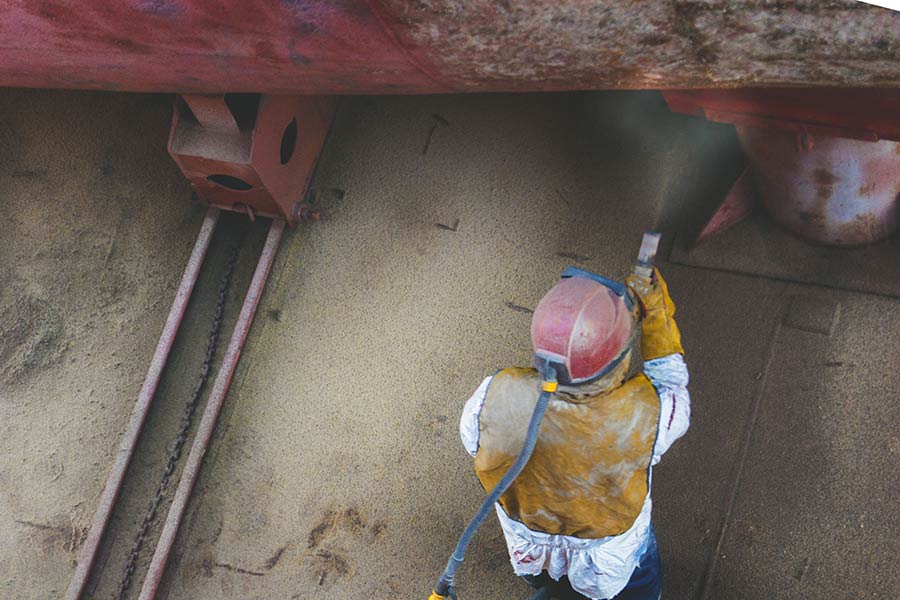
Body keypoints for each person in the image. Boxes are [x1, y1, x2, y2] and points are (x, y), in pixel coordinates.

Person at [459, 266, 689, 599]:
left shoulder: (489, 395)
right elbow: (672, 385)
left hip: (530, 548)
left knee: (546, 586)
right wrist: (655, 314)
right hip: (609, 558)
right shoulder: (647, 414)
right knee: (638, 587)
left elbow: (472, 442)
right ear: (616, 360)